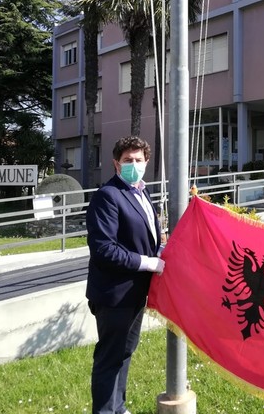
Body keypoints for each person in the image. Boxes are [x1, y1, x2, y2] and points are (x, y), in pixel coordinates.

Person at [86, 136, 165, 414]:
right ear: (116, 164)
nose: (134, 164)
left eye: (138, 160)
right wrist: (148, 263)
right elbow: (103, 249)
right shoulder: (108, 195)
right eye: (127, 160)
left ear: (146, 162)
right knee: (110, 357)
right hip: (114, 294)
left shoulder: (142, 193)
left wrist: (162, 251)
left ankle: (118, 407)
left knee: (125, 353)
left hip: (135, 293)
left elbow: (145, 238)